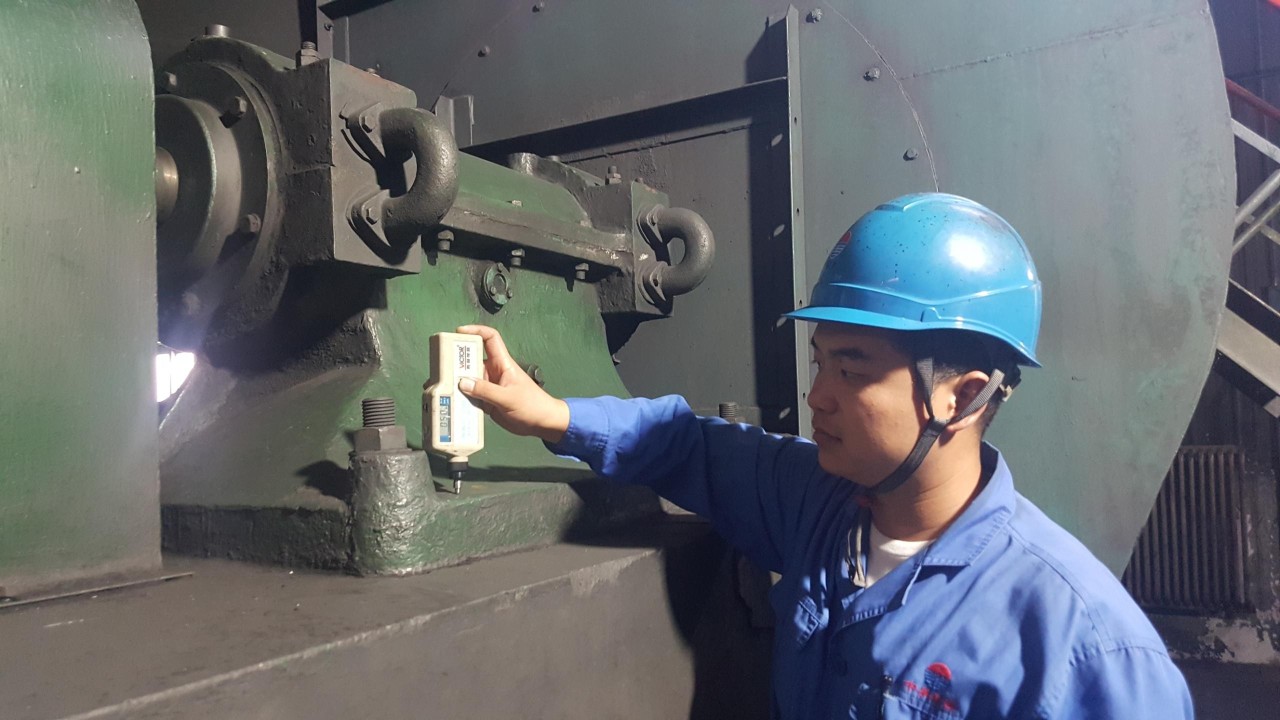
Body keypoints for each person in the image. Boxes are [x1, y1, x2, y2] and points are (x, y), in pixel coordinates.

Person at [456, 193, 1193, 719]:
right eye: (819, 362)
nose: (818, 396)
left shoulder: (1085, 651)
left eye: (852, 368)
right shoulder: (818, 501)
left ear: (961, 396)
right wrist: (551, 414)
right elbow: (686, 444)